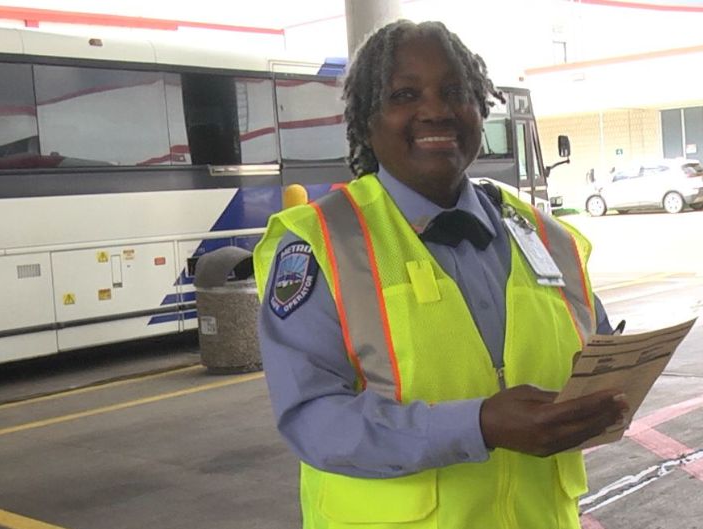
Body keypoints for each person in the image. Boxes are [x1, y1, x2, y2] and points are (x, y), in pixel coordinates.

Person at [253, 20, 629, 528]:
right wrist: (477, 426)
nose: (436, 110)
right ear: (367, 120)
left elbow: (596, 352)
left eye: (455, 92)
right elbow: (314, 421)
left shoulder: (544, 235)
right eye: (405, 94)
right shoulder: (323, 241)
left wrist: (607, 394)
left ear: (479, 107)